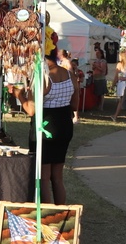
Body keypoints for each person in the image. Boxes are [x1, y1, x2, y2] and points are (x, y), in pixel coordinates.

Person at [12, 49, 80, 204]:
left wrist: (19, 95)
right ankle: (60, 211)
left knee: (43, 177)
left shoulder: (42, 77)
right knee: (57, 176)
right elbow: (74, 106)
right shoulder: (70, 75)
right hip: (64, 125)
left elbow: (31, 109)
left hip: (45, 128)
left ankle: (47, 216)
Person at [110, 50, 126, 121]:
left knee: (121, 100)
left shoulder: (120, 64)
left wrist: (113, 84)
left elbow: (116, 76)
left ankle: (115, 115)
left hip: (122, 83)